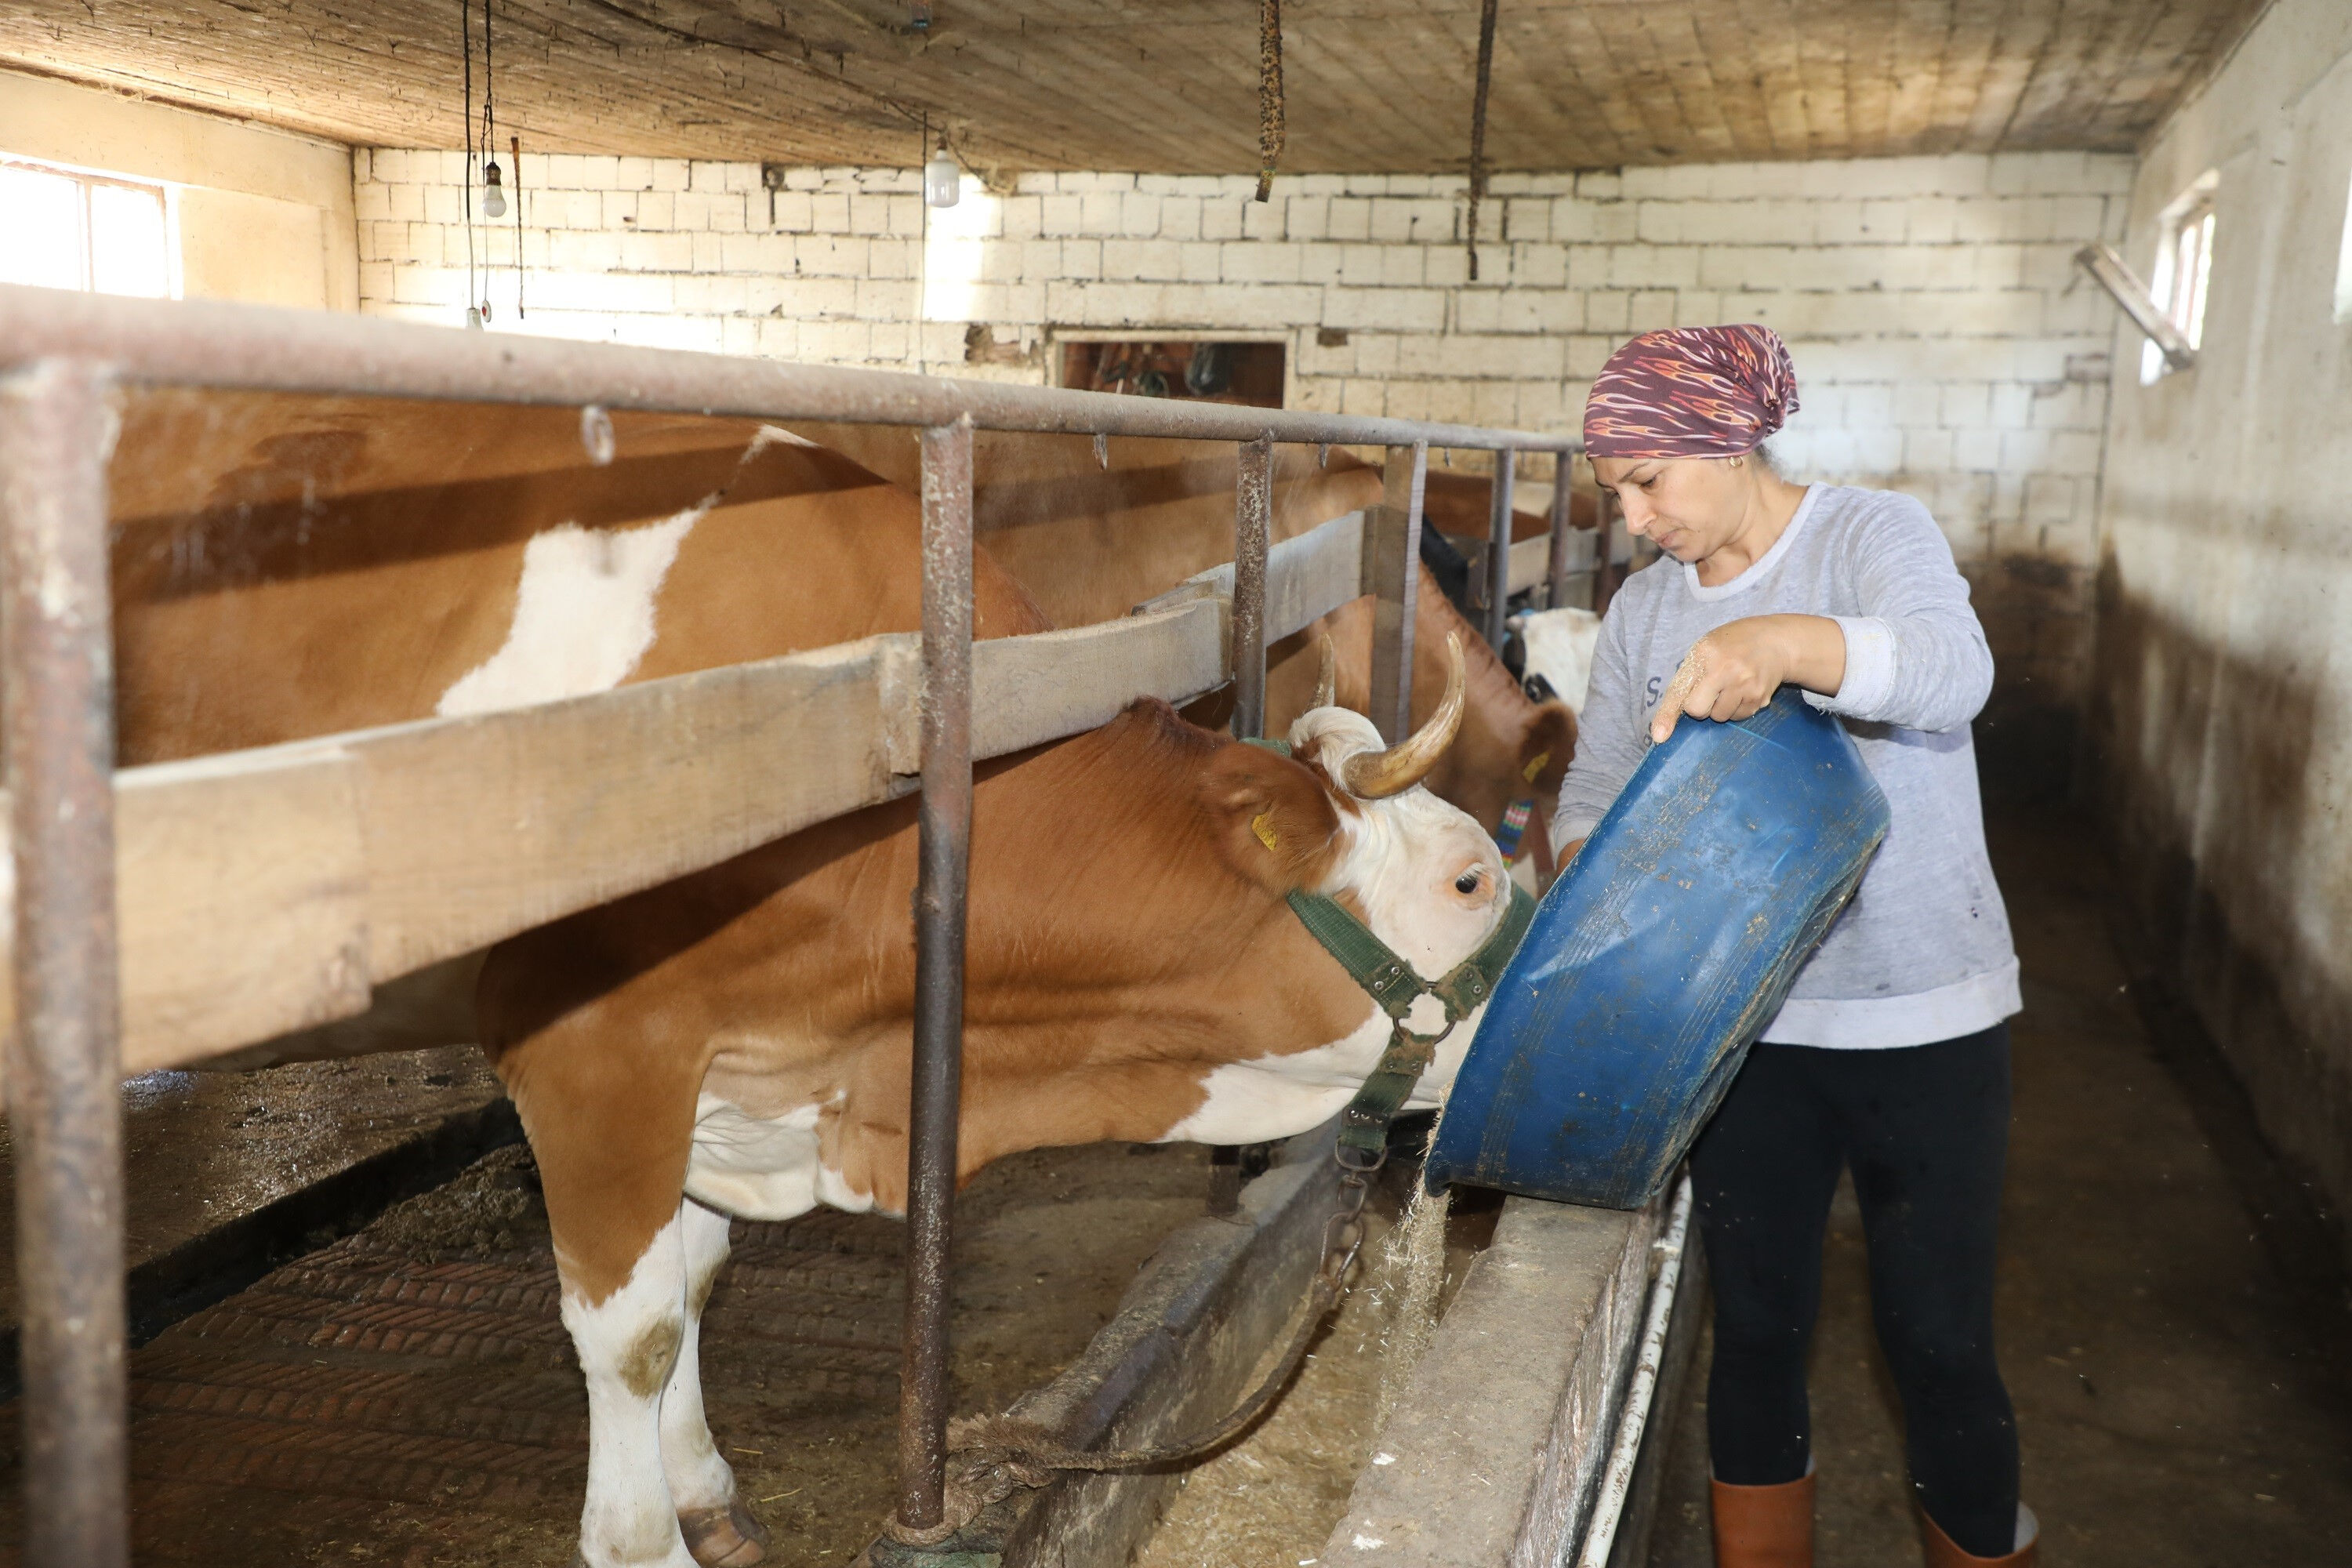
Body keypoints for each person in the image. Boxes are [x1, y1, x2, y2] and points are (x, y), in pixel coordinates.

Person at [1552, 325, 2035, 1568]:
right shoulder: (1646, 609)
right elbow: (1594, 791)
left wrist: (1780, 645)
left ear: (1729, 442)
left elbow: (1955, 672)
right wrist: (1592, 880)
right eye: (1615, 493)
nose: (1635, 516)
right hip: (1745, 1028)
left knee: (1937, 1341)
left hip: (1923, 1012)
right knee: (1758, 1331)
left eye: (1649, 480)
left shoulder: (1871, 535)